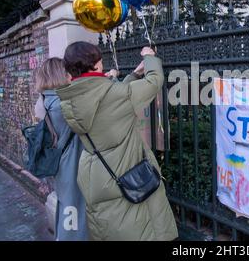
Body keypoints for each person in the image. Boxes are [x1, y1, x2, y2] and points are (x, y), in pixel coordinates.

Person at [56, 41, 178, 241]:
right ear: (96, 65)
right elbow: (155, 81)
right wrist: (150, 57)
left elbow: (109, 99)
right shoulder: (115, 95)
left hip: (94, 173)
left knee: (110, 225)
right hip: (123, 168)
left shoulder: (72, 99)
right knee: (138, 223)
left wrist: (134, 75)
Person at [34, 57, 88, 241]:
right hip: (72, 162)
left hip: (61, 163)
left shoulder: (43, 101)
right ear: (60, 74)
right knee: (73, 208)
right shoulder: (60, 105)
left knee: (67, 205)